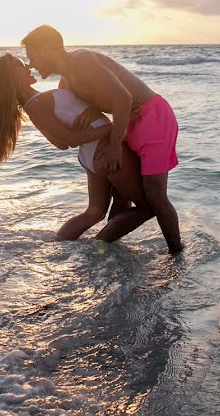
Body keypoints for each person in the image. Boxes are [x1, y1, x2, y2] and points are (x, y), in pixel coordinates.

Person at [22, 25, 183, 254]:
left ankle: (177, 254)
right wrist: (81, 120)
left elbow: (123, 97)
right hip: (126, 123)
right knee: (121, 195)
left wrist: (116, 144)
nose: (30, 64)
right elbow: (81, 118)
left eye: (32, 56)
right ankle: (107, 253)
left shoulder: (82, 60)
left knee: (155, 196)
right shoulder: (66, 82)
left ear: (47, 48)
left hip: (151, 118)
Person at [0, 53, 155, 243]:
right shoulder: (34, 104)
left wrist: (76, 126)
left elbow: (60, 143)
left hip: (92, 152)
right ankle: (97, 247)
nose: (28, 67)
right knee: (148, 206)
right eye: (21, 65)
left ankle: (64, 245)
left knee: (95, 212)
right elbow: (68, 140)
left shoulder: (35, 101)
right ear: (12, 75)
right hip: (101, 148)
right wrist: (112, 126)